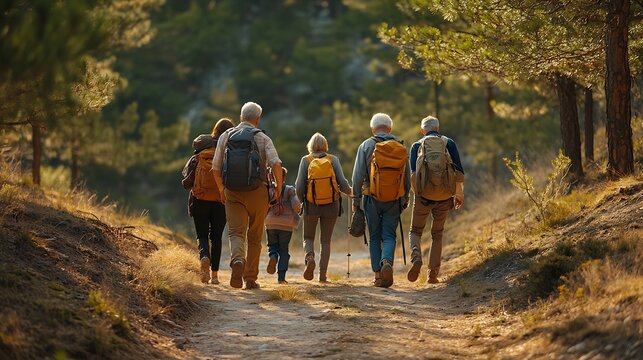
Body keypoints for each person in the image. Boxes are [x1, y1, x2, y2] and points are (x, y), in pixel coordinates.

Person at [213, 102, 283, 290]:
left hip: (232, 192)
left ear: (241, 116)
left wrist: (221, 190)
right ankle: (250, 278)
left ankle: (237, 261)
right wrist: (278, 189)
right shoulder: (262, 138)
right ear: (257, 119)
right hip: (257, 192)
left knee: (236, 232)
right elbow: (276, 164)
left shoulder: (226, 136)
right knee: (254, 236)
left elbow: (216, 168)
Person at [351, 113, 411, 288]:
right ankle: (387, 262)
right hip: (394, 199)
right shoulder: (400, 146)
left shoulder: (366, 145)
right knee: (389, 235)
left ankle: (378, 276)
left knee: (375, 236)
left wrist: (356, 200)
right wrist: (405, 197)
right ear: (390, 128)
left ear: (372, 128)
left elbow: (357, 176)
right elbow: (407, 177)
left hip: (371, 198)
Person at [407, 116, 465, 284]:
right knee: (437, 234)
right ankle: (433, 275)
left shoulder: (417, 145)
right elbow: (459, 172)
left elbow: (412, 175)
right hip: (445, 196)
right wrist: (458, 194)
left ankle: (416, 258)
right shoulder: (449, 143)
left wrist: (418, 193)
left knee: (415, 231)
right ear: (438, 129)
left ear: (422, 130)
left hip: (423, 196)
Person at [181, 118, 234, 284]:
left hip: (200, 198)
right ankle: (215, 276)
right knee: (216, 237)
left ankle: (204, 256)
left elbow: (187, 179)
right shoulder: (229, 150)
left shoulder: (201, 149)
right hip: (220, 199)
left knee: (202, 235)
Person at [295, 132, 352, 283]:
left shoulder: (305, 160)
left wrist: (300, 202)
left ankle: (310, 257)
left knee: (308, 237)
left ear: (310, 146)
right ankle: (322, 275)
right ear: (325, 145)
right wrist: (350, 192)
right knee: (325, 241)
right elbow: (342, 182)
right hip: (331, 205)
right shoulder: (333, 159)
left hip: (311, 205)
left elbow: (299, 186)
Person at [265, 168, 301, 284]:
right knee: (284, 250)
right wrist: (298, 210)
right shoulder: (290, 190)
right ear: (283, 177)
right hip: (286, 225)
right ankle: (281, 278)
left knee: (272, 246)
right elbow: (296, 206)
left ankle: (273, 257)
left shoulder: (269, 190)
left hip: (270, 223)